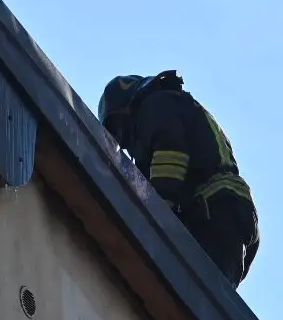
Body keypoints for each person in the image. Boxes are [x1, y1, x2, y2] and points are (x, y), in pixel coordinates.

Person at [97, 71, 259, 287]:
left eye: (117, 127)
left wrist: (159, 210)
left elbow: (170, 153)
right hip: (232, 217)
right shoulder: (178, 106)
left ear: (127, 105)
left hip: (213, 215)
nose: (121, 139)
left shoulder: (155, 106)